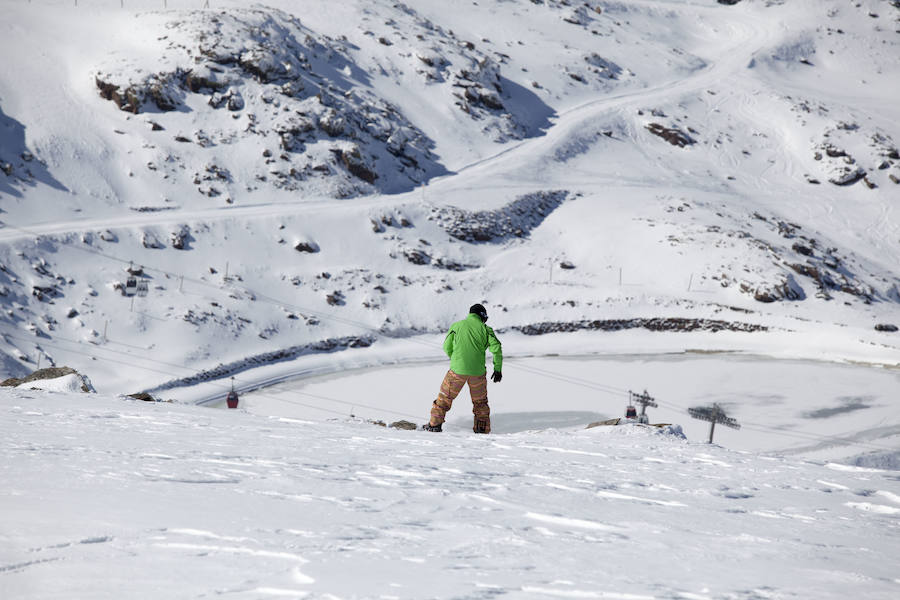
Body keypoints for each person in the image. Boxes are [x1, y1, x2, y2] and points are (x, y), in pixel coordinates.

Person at [424, 303, 502, 433]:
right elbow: (497, 348)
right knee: (480, 403)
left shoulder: (457, 326)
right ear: (482, 316)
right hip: (478, 373)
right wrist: (497, 369)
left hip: (457, 371)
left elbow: (446, 347)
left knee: (444, 398)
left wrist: (456, 360)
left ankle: (434, 426)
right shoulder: (486, 329)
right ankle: (482, 430)